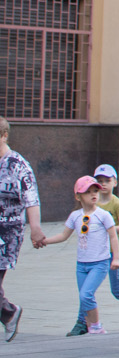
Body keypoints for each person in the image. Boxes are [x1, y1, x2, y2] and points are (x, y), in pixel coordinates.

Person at [42, 176, 119, 336]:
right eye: (88, 192)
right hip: (82, 264)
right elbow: (64, 235)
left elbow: (113, 236)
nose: (93, 194)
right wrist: (45, 241)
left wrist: (116, 258)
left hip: (99, 263)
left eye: (95, 191)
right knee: (84, 297)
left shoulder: (103, 215)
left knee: (86, 294)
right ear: (78, 196)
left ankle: (97, 326)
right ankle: (89, 326)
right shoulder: (75, 216)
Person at [78, 165, 119, 333]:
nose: (103, 184)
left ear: (115, 182)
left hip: (115, 252)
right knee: (86, 290)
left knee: (117, 289)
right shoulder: (92, 203)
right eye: (99, 181)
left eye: (107, 180)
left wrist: (107, 228)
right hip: (96, 253)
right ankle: (83, 322)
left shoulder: (117, 204)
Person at [0, 117, 44, 342]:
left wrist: (35, 228)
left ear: (4, 136)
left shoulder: (18, 165)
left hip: (6, 233)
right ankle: (8, 313)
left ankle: (8, 313)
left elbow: (31, 199)